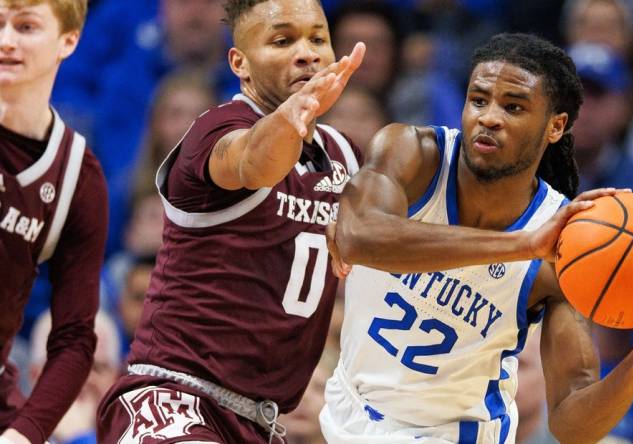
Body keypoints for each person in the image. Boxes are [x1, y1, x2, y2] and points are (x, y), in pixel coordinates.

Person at [322, 33, 633, 443]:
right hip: (346, 411)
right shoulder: (411, 153)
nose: (488, 117)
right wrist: (523, 246)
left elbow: (572, 424)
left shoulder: (570, 247)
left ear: (555, 126)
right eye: (478, 100)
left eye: (513, 107)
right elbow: (359, 238)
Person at [96, 0, 365, 442]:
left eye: (318, 38)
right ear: (239, 62)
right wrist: (292, 119)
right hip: (173, 398)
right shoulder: (217, 130)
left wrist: (515, 247)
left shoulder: (344, 154)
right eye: (282, 40)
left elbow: (393, 238)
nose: (307, 52)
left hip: (261, 420)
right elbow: (255, 161)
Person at [0, 1, 108, 443]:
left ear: (68, 40)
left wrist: (25, 434)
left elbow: (75, 339)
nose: (6, 40)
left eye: (25, 27)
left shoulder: (77, 179)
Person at [29, 311, 121, 444]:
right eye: (66, 368)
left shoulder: (137, 435)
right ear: (34, 375)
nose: (84, 380)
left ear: (116, 378)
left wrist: (78, 437)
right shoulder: (9, 436)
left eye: (97, 368)